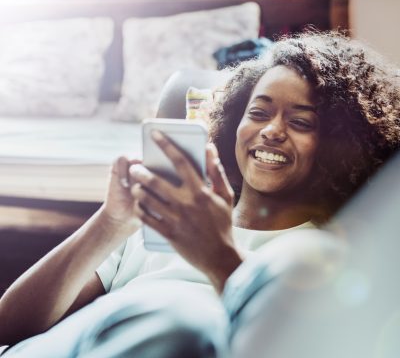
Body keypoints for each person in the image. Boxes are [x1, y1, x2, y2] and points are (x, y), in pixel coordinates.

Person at [0, 31, 399, 357]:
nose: (272, 130)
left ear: (339, 144)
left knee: (184, 321)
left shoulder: (324, 254)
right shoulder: (164, 220)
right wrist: (110, 223)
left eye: (300, 122)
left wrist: (218, 256)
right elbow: (12, 327)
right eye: (258, 113)